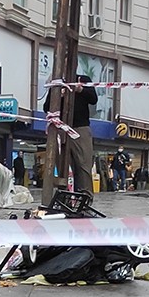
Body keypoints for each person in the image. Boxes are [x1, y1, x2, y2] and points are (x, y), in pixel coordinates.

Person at [41, 72, 98, 205]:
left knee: (83, 166)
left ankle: (85, 201)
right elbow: (46, 107)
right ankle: (64, 199)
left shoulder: (82, 79)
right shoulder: (56, 83)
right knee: (61, 165)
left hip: (80, 129)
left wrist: (80, 89)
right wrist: (58, 96)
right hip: (61, 129)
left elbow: (93, 99)